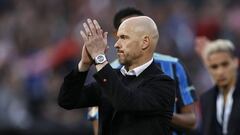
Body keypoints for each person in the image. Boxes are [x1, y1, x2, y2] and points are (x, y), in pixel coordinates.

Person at [58, 16, 176, 135]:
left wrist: (99, 58)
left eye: (124, 38)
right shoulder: (113, 78)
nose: (116, 44)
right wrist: (84, 65)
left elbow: (125, 102)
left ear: (144, 42)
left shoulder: (163, 84)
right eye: (118, 38)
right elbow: (67, 100)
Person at [88, 7, 197, 135]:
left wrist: (161, 111)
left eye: (137, 27)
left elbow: (191, 121)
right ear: (116, 34)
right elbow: (97, 125)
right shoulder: (106, 73)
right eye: (126, 32)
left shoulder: (173, 66)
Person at [199, 39, 240, 135]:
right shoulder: (206, 99)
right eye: (214, 67)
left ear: (235, 63)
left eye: (225, 64)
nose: (220, 72)